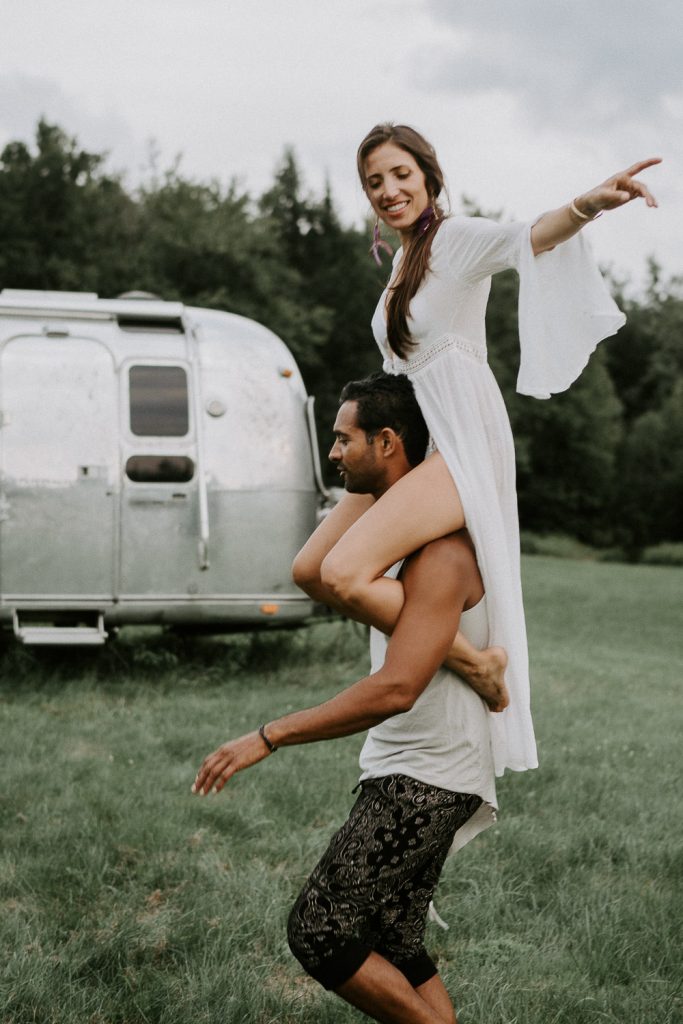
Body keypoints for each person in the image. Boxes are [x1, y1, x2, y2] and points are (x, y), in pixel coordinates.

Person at [293, 122, 660, 778]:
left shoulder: (453, 241)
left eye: (399, 174)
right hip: (412, 439)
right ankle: (463, 657)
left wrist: (589, 204)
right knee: (310, 570)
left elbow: (527, 237)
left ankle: (474, 663)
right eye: (373, 181)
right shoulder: (402, 262)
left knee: (348, 574)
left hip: (458, 440)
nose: (387, 190)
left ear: (429, 176)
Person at [193, 371, 500, 1024]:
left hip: (427, 776)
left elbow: (395, 687)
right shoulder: (399, 549)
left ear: (387, 441)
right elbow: (310, 572)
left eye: (343, 440)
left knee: (319, 931)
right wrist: (386, 483)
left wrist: (268, 735)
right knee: (393, 939)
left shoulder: (440, 555)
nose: (332, 454)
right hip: (412, 767)